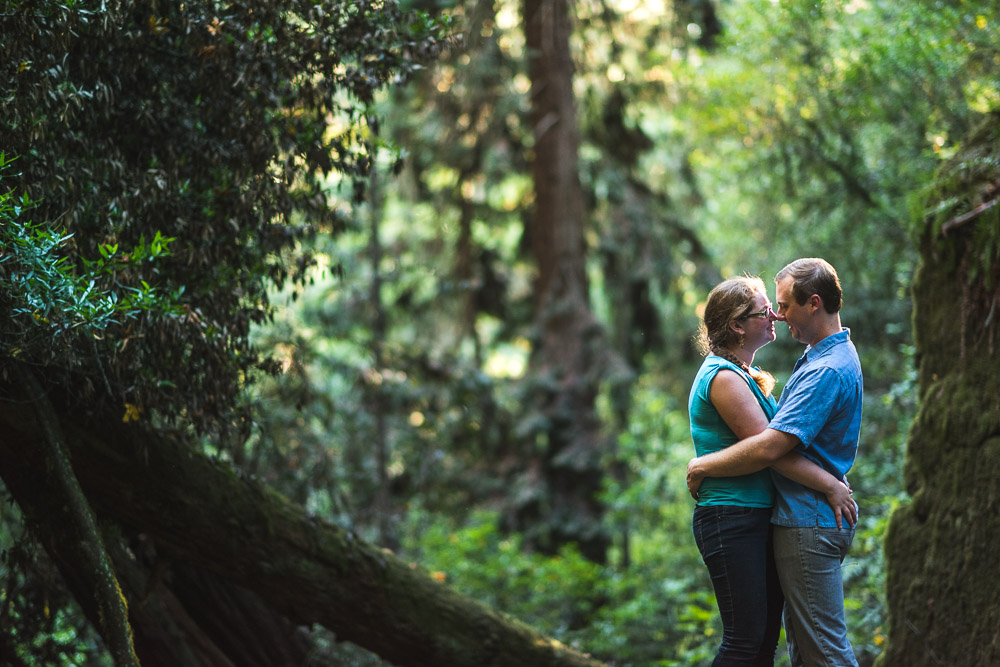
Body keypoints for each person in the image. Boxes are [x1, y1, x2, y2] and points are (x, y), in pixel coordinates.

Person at [687, 259, 863, 667]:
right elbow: (768, 449)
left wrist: (704, 464)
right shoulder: (726, 377)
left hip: (763, 515)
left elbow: (771, 447)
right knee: (748, 643)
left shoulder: (750, 374)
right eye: (766, 309)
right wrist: (829, 483)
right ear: (736, 325)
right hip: (733, 515)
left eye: (779, 306)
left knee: (768, 643)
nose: (775, 316)